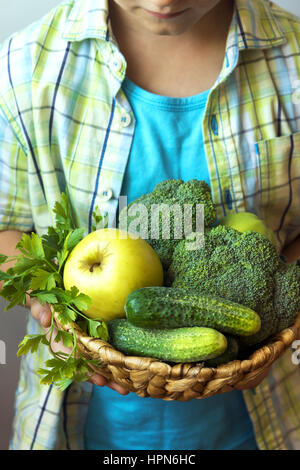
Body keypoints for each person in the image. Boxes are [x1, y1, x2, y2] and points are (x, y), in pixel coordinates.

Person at [0, 0, 300, 450]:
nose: (163, 1)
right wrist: (46, 303)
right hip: (79, 428)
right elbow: (5, 230)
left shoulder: (293, 58)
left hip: (261, 424)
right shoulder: (25, 68)